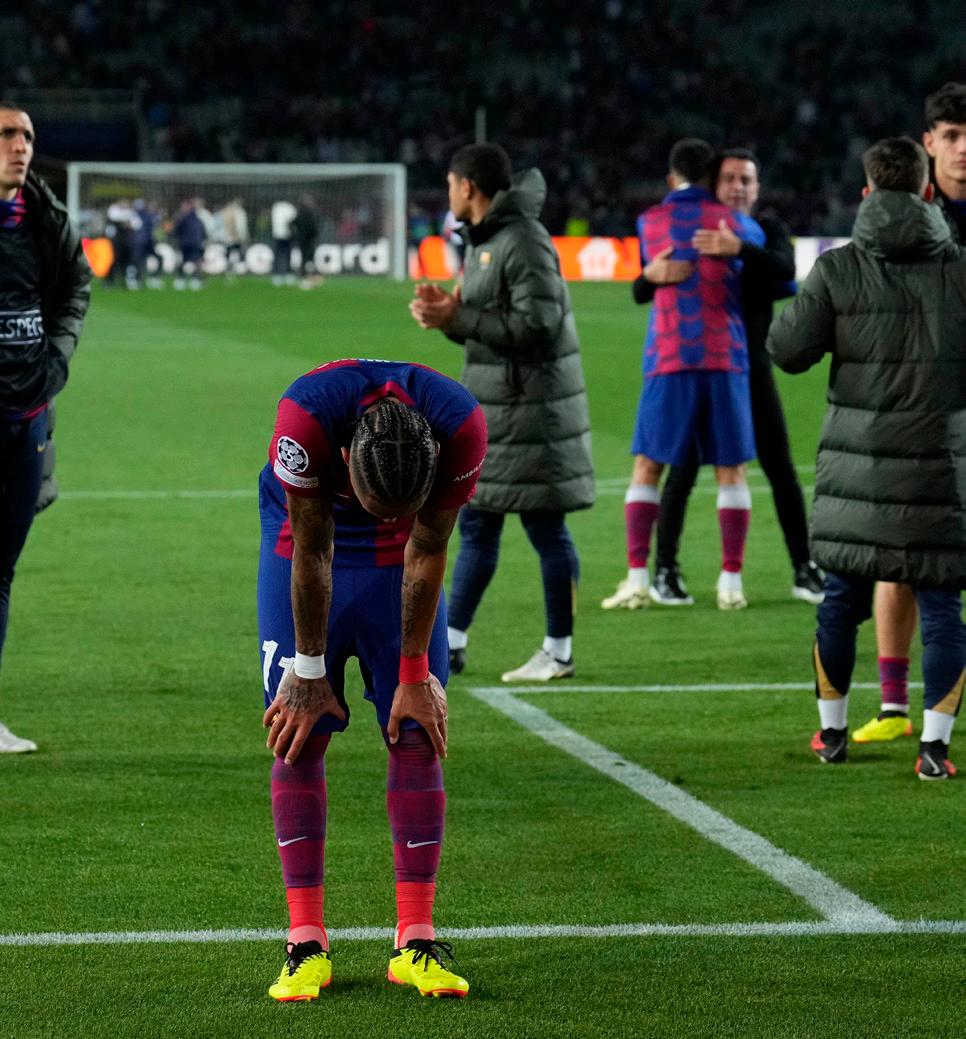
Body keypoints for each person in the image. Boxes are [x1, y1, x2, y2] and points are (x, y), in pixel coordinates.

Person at [258, 358, 486, 999]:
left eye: (399, 510)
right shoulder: (305, 420)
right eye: (375, 506)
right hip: (302, 539)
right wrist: (308, 669)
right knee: (299, 731)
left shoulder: (461, 427)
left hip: (405, 559)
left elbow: (428, 545)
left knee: (417, 730)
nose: (385, 517)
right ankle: (305, 942)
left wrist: (415, 673)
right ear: (346, 462)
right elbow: (313, 548)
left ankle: (416, 939)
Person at [767, 137, 965, 780]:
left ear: (867, 192)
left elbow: (787, 350)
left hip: (857, 472)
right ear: (928, 191)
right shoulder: (960, 269)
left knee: (839, 604)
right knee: (942, 609)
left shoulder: (837, 268)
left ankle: (831, 735)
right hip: (943, 471)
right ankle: (933, 750)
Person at [408, 143, 594, 682]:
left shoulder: (523, 240)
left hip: (533, 413)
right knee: (477, 522)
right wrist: (449, 316)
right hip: (500, 409)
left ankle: (558, 651)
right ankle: (451, 641)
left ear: (467, 187)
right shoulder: (486, 240)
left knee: (545, 527)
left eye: (450, 185)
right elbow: (488, 327)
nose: (448, 194)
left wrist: (459, 317)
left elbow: (538, 324)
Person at [632, 149, 825, 607]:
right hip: (708, 365)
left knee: (779, 466)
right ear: (714, 185)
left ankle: (804, 567)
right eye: (730, 179)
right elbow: (644, 288)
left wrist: (739, 249)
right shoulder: (697, 233)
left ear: (757, 188)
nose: (738, 187)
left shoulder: (763, 229)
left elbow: (785, 272)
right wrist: (649, 276)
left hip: (751, 364)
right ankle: (666, 570)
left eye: (747, 180)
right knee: (682, 468)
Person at [602, 138, 757, 613]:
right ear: (712, 177)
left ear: (672, 178)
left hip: (669, 355)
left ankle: (637, 577)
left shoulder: (650, 222)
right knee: (732, 469)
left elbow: (648, 277)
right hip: (726, 355)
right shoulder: (737, 223)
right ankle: (731, 582)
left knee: (648, 466)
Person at [856, 82, 966, 745]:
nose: (963, 149)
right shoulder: (903, 214)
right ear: (929, 143)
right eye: (951, 136)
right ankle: (895, 707)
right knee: (897, 561)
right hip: (918, 414)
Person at [0, 100, 91, 753]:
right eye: (6, 134)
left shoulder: (45, 220)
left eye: (27, 135)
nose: (20, 145)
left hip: (27, 418)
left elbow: (76, 288)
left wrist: (56, 357)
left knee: (0, 572)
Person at [172, 198, 205, 290]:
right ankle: (194, 280)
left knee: (185, 261)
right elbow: (203, 232)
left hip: (187, 244)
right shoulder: (197, 219)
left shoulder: (185, 218)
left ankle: (183, 279)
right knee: (195, 262)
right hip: (193, 243)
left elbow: (176, 231)